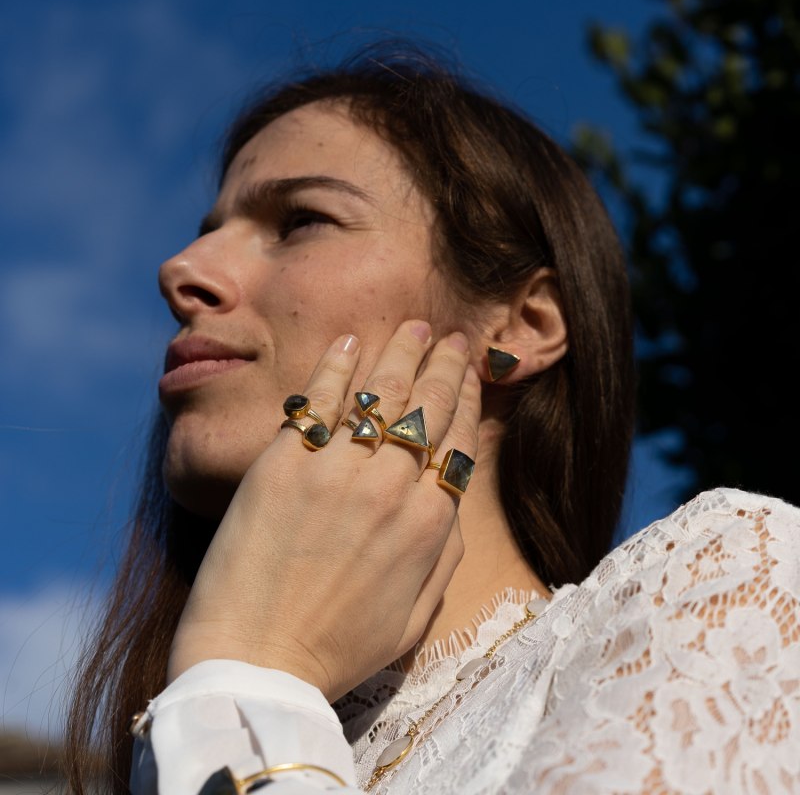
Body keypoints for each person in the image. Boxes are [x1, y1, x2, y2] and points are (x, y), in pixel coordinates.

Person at [66, 43, 800, 795]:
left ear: (521, 324)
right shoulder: (157, 727)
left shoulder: (725, 588)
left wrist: (249, 676)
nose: (182, 268)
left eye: (301, 221)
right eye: (209, 228)